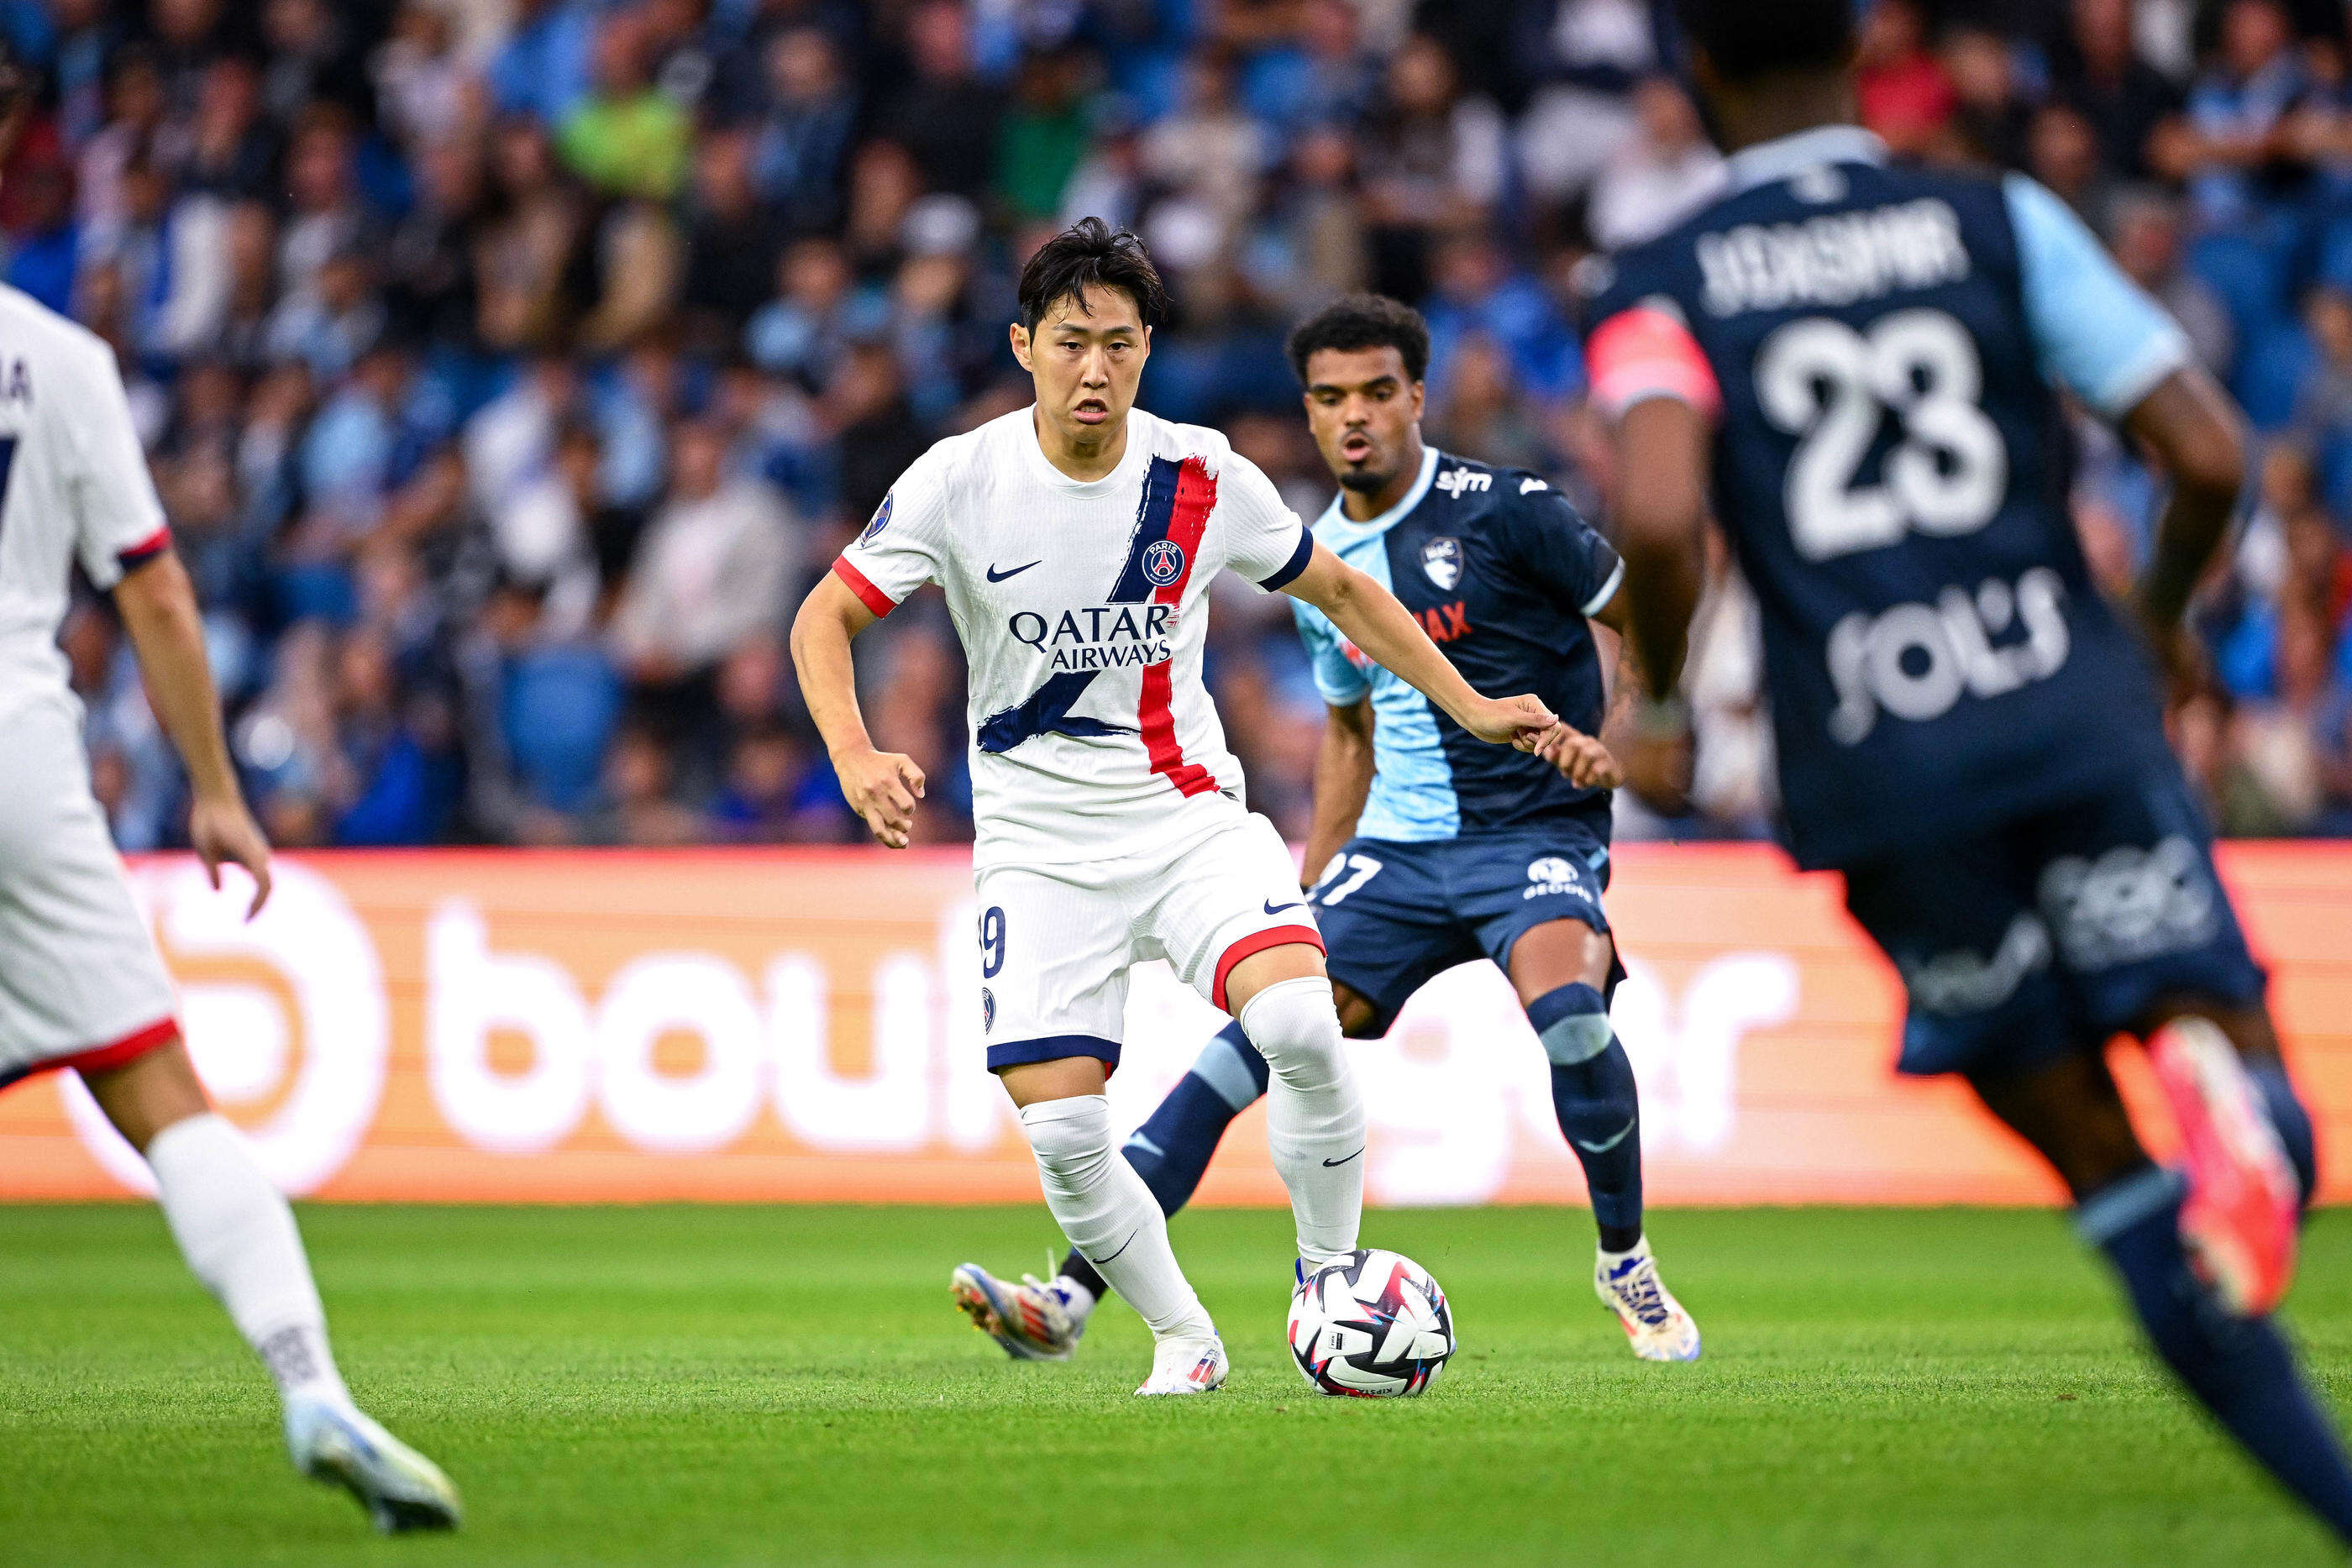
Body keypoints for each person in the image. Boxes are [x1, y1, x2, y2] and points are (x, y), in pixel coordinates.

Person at [1579, 0, 2351, 1541]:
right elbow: (2201, 451)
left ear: (1696, 73)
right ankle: (2236, 1092)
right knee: (2232, 1050)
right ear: (1865, 56)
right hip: (2069, 710)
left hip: (1879, 768)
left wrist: (1657, 693)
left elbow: (1660, 518)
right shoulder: (1992, 216)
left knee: (2105, 1172)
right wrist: (2150, 626)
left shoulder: (1656, 283)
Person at [790, 221, 1561, 1396]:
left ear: (1147, 348)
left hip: (1189, 818)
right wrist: (853, 754)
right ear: (1024, 346)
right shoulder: (959, 479)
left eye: (1116, 343)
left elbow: (1345, 589)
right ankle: (1183, 1335)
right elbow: (823, 618)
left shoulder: (1201, 475)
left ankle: (1329, 1285)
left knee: (1301, 1020)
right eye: (1067, 343)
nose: (1092, 369)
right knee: (1059, 1134)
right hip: (1040, 851)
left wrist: (1467, 701)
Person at [949, 293, 1703, 1366]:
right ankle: (1069, 1300)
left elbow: (1649, 622)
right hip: (1394, 855)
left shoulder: (1509, 508)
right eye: (1330, 398)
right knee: (1247, 1048)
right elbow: (1348, 734)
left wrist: (1622, 739)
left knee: (1570, 1015)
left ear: (1416, 399)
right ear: (1307, 412)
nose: (1356, 417)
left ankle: (1624, 1262)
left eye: (1377, 394)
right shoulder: (1316, 562)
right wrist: (1305, 892)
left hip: (1528, 831)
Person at [0, 54, 459, 1535]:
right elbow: (158, 595)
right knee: (163, 1093)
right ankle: (310, 1377)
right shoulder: (56, 357)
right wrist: (213, 785)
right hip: (20, 756)